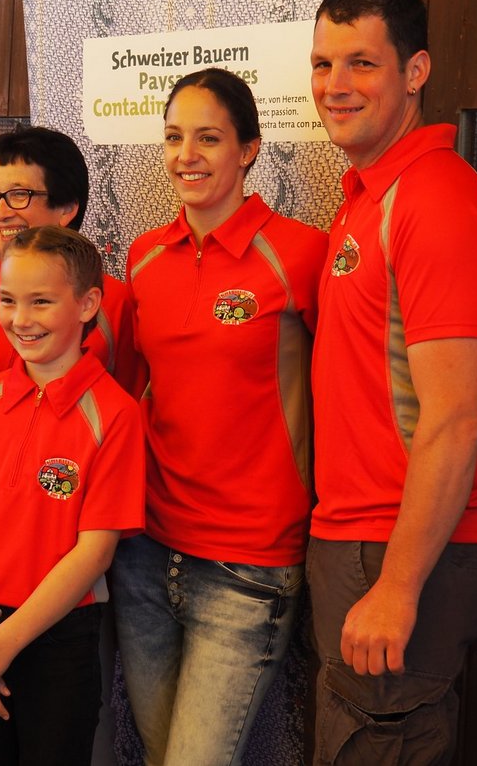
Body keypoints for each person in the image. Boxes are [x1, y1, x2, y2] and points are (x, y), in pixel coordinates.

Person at [306, 0, 477, 763]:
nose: (335, 85)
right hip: (363, 539)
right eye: (323, 64)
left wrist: (396, 585)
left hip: (397, 546)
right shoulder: (367, 197)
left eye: (361, 63)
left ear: (415, 72)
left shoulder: (432, 197)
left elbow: (454, 416)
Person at [111, 67, 327, 766]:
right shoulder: (145, 255)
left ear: (249, 149)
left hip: (248, 562)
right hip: (145, 552)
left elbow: (366, 374)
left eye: (208, 138)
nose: (187, 155)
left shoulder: (300, 253)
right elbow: (127, 393)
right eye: (174, 137)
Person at [0, 225, 146, 765]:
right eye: (8, 300)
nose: (20, 319)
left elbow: (94, 552)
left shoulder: (115, 415)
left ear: (87, 304)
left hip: (55, 642)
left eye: (41, 302)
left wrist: (1, 646)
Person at [0, 126, 140, 394]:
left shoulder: (114, 304)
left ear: (67, 208)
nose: (0, 213)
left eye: (19, 195)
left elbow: (126, 402)